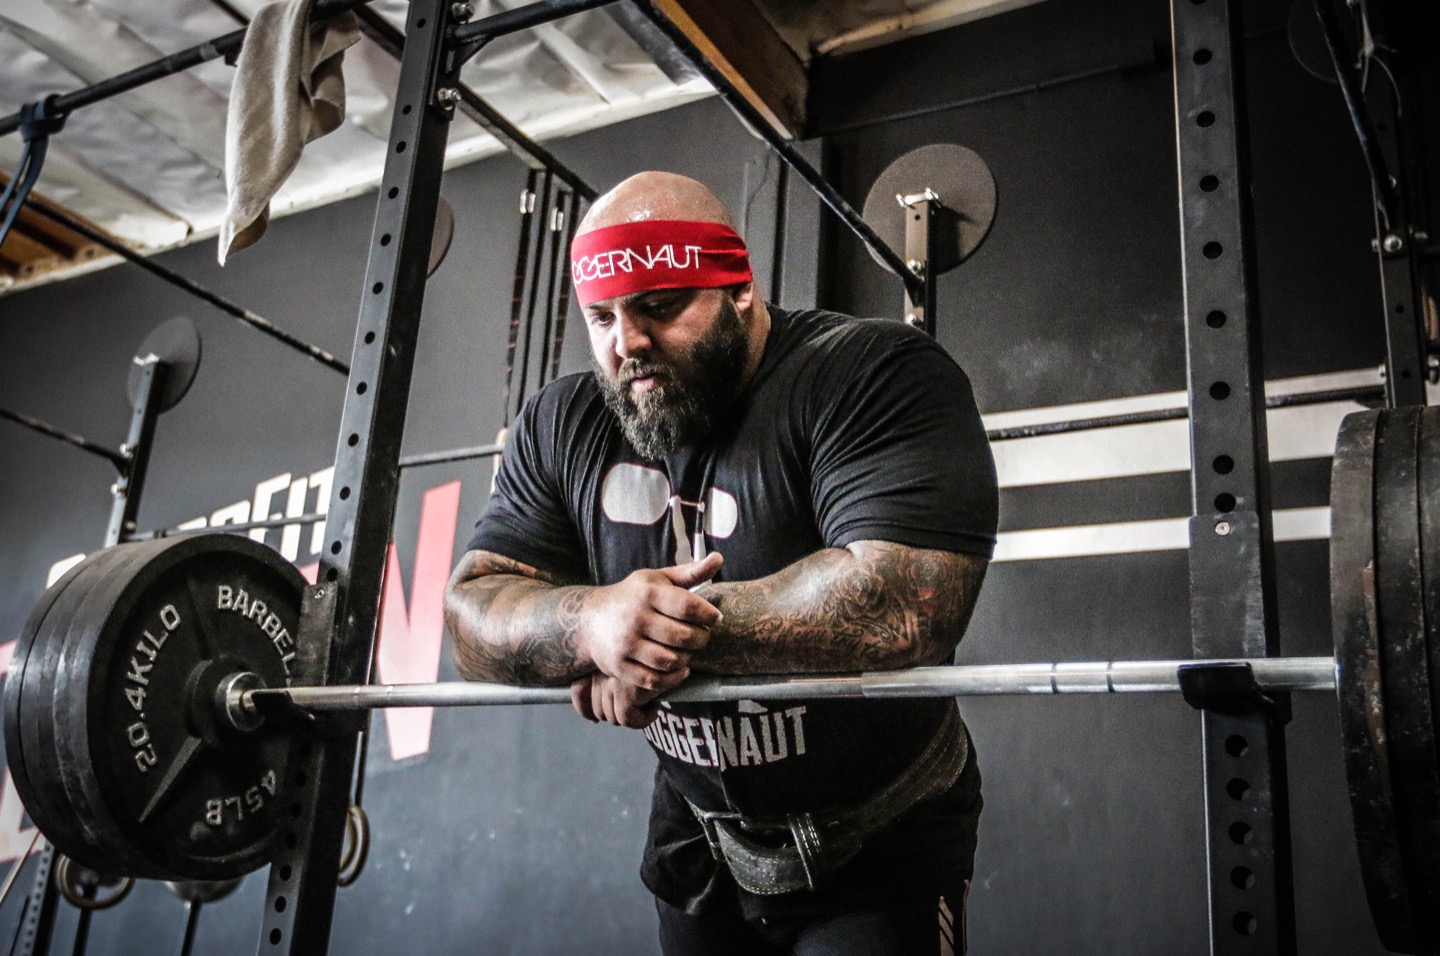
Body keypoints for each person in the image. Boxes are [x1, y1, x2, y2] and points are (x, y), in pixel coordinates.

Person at [444, 171, 998, 955]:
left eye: (660, 306)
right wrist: (592, 625)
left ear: (739, 288)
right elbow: (472, 615)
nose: (626, 342)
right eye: (602, 317)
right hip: (700, 838)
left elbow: (906, 603)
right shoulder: (564, 421)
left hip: (881, 840)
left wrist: (651, 638)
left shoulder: (870, 370)